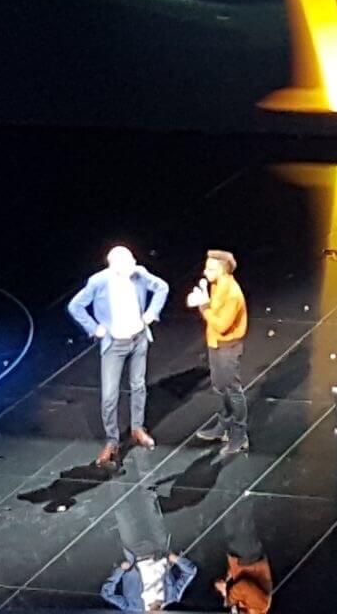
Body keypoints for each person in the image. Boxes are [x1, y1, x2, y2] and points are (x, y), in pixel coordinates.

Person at [68, 246, 169, 466]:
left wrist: (151, 313)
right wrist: (94, 328)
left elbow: (162, 287)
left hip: (138, 339)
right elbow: (75, 306)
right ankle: (112, 441)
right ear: (115, 267)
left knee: (138, 385)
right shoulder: (99, 281)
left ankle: (137, 428)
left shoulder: (139, 273)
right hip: (114, 344)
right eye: (129, 262)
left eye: (133, 260)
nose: (134, 265)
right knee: (109, 395)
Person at [102, 482, 196, 610]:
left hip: (135, 553)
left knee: (123, 513)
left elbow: (107, 593)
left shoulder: (133, 607)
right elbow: (190, 571)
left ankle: (115, 480)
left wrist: (121, 570)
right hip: (159, 549)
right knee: (150, 506)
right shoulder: (172, 596)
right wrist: (176, 559)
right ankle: (145, 477)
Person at [190, 250, 249, 456]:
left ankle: (240, 434)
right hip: (215, 342)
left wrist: (202, 305)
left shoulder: (232, 293)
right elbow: (213, 314)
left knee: (232, 389)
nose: (205, 272)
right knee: (219, 386)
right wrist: (205, 301)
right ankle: (223, 425)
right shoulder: (217, 285)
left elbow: (222, 324)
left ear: (222, 270)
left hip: (228, 346)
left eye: (210, 269)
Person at [214, 496, 271, 614]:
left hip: (240, 558)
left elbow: (239, 581)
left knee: (231, 521)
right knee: (242, 522)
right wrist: (229, 599)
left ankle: (228, 494)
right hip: (249, 556)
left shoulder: (246, 608)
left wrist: (226, 582)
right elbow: (244, 586)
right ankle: (243, 492)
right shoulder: (260, 607)